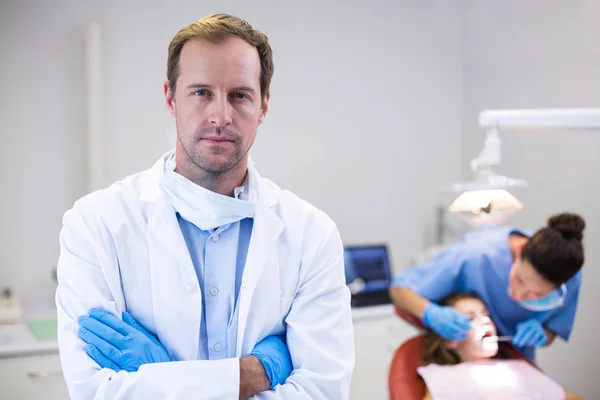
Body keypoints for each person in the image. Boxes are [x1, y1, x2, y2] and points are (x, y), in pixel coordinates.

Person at [55, 13, 354, 400]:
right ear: (170, 98)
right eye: (201, 92)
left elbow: (323, 391)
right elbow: (96, 391)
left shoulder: (312, 233)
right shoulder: (96, 224)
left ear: (263, 106)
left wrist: (162, 377)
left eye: (239, 95)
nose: (220, 116)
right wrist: (255, 373)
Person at [390, 212, 585, 362]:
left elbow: (553, 329)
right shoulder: (475, 253)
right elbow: (399, 289)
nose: (518, 296)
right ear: (519, 250)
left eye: (537, 294)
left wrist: (544, 335)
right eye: (520, 280)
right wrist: (431, 314)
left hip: (517, 361)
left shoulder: (569, 274)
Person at [417, 292, 584, 400]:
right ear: (449, 340)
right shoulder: (442, 376)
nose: (485, 320)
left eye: (486, 314)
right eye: (470, 318)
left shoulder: (521, 369)